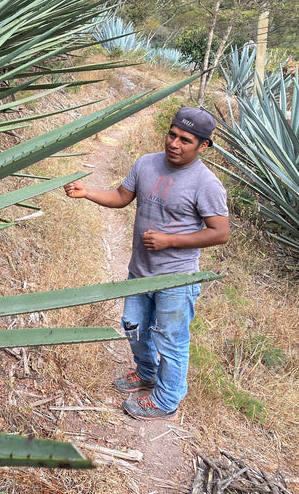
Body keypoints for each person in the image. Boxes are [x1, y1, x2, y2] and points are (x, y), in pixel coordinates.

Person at [64, 107, 229, 421]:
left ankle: (167, 400)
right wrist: (88, 193)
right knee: (132, 326)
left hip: (176, 279)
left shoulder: (206, 184)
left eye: (185, 140)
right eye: (172, 135)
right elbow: (121, 196)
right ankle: (146, 372)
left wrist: (170, 241)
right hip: (140, 271)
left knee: (171, 339)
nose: (174, 144)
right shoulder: (146, 163)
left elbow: (220, 233)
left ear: (202, 146)